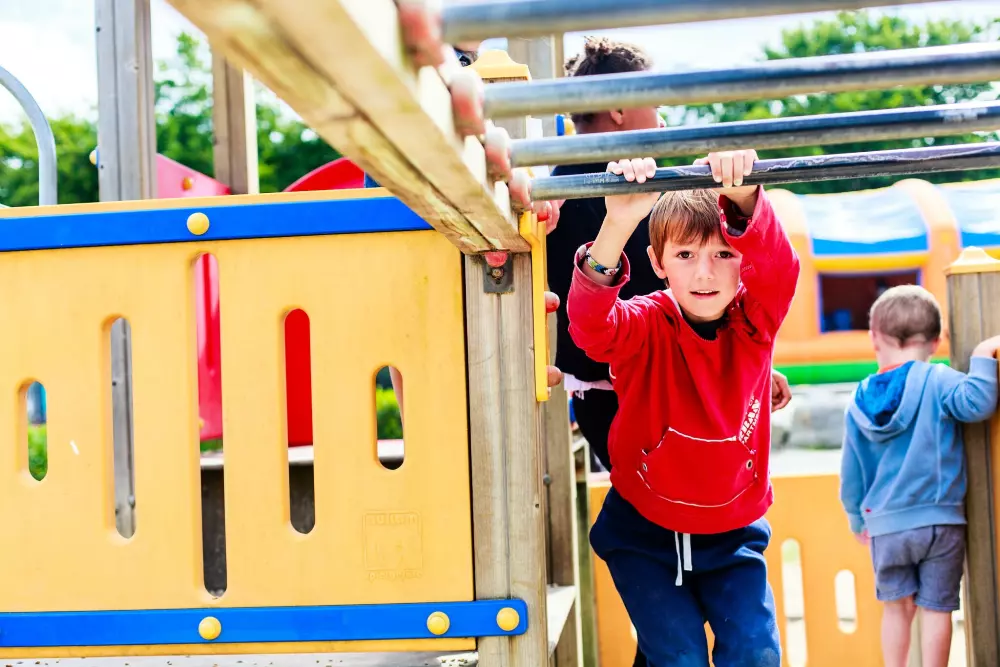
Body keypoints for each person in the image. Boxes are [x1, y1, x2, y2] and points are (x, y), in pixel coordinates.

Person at [566, 149, 799, 667]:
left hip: (731, 534)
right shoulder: (647, 325)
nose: (705, 273)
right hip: (644, 531)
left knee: (755, 653)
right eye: (686, 256)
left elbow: (780, 270)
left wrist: (742, 195)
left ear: (744, 258)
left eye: (723, 254)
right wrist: (620, 221)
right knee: (679, 656)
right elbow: (590, 327)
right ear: (658, 263)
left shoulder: (754, 323)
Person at [545, 37, 791, 477]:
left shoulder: (551, 191)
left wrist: (746, 363)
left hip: (600, 394)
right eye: (656, 102)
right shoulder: (625, 190)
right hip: (643, 387)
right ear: (619, 110)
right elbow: (678, 297)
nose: (662, 120)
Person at [839, 285, 1000, 667]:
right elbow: (978, 403)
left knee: (896, 609)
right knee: (936, 608)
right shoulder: (939, 379)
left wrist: (857, 518)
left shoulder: (858, 399)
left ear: (874, 338)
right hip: (939, 521)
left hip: (886, 526)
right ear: (937, 339)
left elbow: (852, 473)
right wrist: (981, 357)